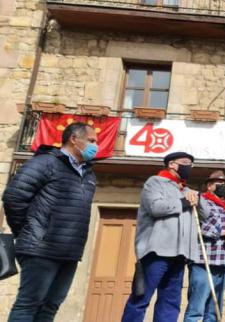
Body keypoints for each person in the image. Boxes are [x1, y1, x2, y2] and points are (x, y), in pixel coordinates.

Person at [3, 122, 98, 321]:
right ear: (74, 139)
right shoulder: (46, 162)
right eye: (91, 141)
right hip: (41, 248)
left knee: (50, 306)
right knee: (28, 304)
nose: (95, 146)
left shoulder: (88, 174)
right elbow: (13, 197)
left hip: (69, 251)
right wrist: (31, 231)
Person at [121, 152, 200, 322]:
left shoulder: (186, 189)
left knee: (170, 301)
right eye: (186, 163)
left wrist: (196, 197)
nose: (190, 167)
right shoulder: (155, 182)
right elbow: (155, 207)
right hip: (157, 251)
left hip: (180, 253)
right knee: (141, 298)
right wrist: (183, 202)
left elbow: (205, 214)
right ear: (172, 164)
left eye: (192, 164)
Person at [183, 170, 225, 322]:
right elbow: (199, 227)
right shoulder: (203, 202)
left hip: (221, 263)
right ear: (209, 186)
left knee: (214, 311)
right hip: (203, 261)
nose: (223, 186)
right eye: (219, 184)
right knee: (196, 308)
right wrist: (224, 232)